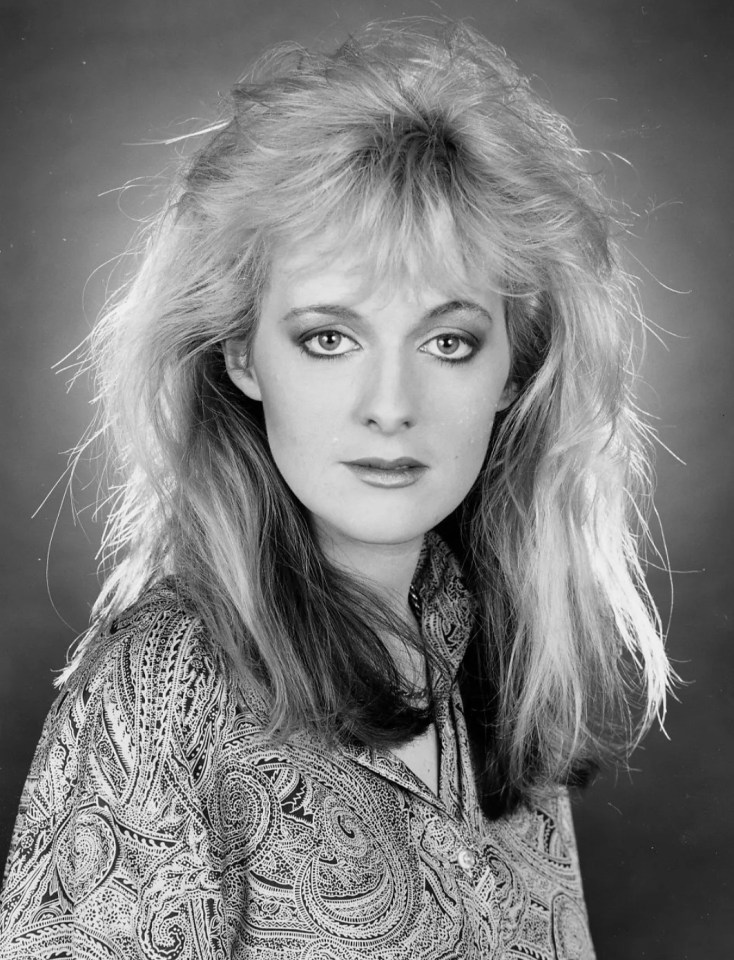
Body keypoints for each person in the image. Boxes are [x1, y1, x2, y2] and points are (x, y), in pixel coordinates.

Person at [0, 19, 671, 959]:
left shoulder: (492, 655)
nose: (389, 406)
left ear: (514, 371)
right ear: (242, 352)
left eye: (447, 341)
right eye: (329, 337)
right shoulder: (163, 687)